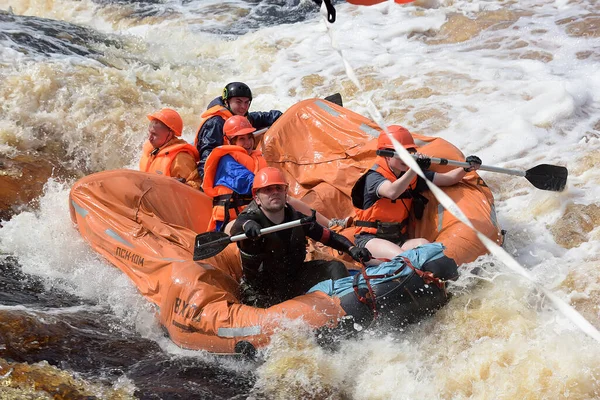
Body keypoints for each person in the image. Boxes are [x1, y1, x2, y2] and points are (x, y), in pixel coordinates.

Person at [231, 167, 372, 307]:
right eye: (268, 189)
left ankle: (351, 308)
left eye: (279, 188)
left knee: (335, 267)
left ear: (285, 192)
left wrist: (351, 248)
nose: (274, 192)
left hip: (293, 278)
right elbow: (238, 227)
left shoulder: (296, 219)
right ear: (257, 197)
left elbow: (329, 237)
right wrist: (248, 227)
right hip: (263, 291)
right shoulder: (248, 221)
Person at [351, 125, 482, 262]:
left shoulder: (412, 175)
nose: (404, 157)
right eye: (399, 153)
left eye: (409, 151)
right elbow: (392, 192)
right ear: (387, 156)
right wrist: (414, 168)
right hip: (370, 240)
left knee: (425, 247)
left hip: (398, 239)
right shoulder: (374, 177)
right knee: (406, 259)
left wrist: (466, 168)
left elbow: (449, 179)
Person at [203, 115, 337, 233]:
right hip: (231, 221)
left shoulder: (252, 157)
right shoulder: (226, 162)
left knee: (283, 200)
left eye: (249, 138)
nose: (248, 143)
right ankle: (328, 224)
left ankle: (328, 225)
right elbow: (251, 184)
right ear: (230, 141)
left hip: (254, 211)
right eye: (241, 139)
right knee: (284, 200)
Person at [195, 82, 282, 182]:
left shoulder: (243, 117)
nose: (243, 107)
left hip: (236, 164)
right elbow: (207, 156)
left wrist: (284, 116)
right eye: (238, 102)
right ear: (226, 102)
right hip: (224, 168)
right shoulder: (216, 123)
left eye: (246, 102)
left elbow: (263, 117)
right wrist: (207, 181)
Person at [139, 108, 201, 190]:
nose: (149, 138)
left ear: (169, 135)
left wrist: (179, 185)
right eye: (149, 132)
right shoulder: (151, 149)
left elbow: (194, 187)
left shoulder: (181, 158)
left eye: (154, 134)